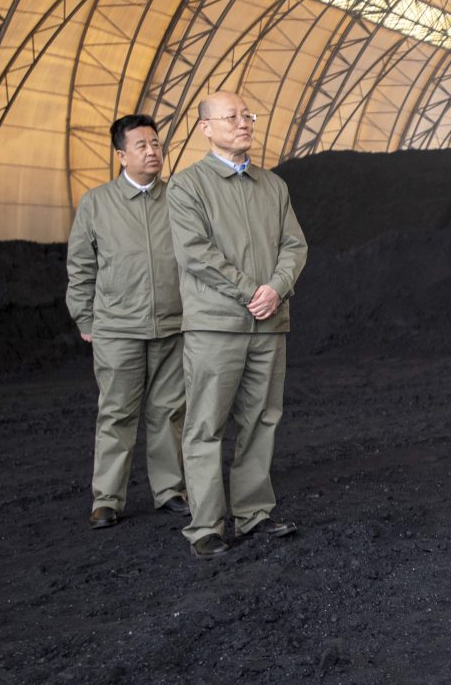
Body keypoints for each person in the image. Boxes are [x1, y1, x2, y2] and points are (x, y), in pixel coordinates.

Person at [168, 90, 308, 559]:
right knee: (206, 425)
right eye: (230, 116)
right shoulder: (188, 187)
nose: (243, 122)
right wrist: (251, 291)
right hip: (216, 326)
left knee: (262, 420)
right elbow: (196, 253)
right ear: (205, 127)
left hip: (268, 324)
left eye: (247, 115)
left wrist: (277, 288)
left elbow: (295, 246)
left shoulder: (274, 186)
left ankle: (253, 513)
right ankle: (205, 526)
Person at [65, 114, 189, 529]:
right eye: (142, 146)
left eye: (156, 144)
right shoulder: (97, 203)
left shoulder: (179, 199)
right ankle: (106, 499)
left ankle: (169, 490)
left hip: (172, 326)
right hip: (118, 328)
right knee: (117, 414)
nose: (153, 151)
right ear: (121, 155)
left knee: (168, 413)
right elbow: (80, 266)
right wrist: (85, 316)